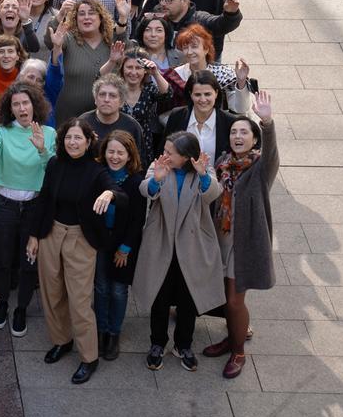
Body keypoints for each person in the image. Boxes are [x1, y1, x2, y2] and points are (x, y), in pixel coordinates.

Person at [26, 118, 125, 384]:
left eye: (78, 138)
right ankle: (62, 340)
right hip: (51, 233)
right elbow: (44, 198)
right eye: (69, 137)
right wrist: (34, 235)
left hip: (81, 238)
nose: (73, 142)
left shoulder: (96, 171)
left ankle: (89, 357)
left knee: (80, 301)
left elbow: (119, 192)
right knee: (51, 293)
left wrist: (109, 195)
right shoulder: (55, 164)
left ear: (89, 141)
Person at [203, 92, 278, 379]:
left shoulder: (259, 168)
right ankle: (232, 336)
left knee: (235, 301)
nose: (237, 136)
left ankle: (238, 352)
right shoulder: (222, 163)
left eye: (244, 132)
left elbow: (272, 152)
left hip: (243, 244)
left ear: (254, 140)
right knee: (225, 298)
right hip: (219, 239)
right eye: (234, 131)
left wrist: (267, 121)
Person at [134, 131, 222, 372]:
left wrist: (204, 176)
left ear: (185, 156)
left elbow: (213, 194)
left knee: (188, 297)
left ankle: (184, 344)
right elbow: (146, 191)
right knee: (159, 295)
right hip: (161, 241)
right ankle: (157, 343)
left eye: (170, 152)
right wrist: (157, 179)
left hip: (192, 244)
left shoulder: (204, 168)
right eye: (165, 150)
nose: (165, 155)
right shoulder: (159, 166)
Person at [0, 83, 55, 335]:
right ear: (10, 109)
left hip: (34, 206)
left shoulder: (49, 132)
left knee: (28, 261)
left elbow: (53, 170)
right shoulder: (2, 131)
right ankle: (2, 302)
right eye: (16, 104)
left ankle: (21, 307)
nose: (22, 108)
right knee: (1, 258)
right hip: (4, 204)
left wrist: (42, 149)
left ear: (35, 105)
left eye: (26, 103)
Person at [93, 130, 146, 360]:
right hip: (101, 241)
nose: (115, 157)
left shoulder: (136, 180)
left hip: (124, 244)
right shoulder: (98, 175)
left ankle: (114, 332)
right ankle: (101, 330)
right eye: (110, 151)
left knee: (118, 289)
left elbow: (137, 219)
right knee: (101, 287)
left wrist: (125, 248)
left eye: (120, 152)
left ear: (129, 155)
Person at [48, 0, 128, 125]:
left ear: (100, 18)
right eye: (81, 14)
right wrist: (61, 15)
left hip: (104, 115)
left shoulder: (111, 42)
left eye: (91, 13)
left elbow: (123, 41)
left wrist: (123, 17)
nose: (86, 17)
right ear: (75, 19)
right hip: (68, 114)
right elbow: (49, 40)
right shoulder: (68, 39)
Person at [102, 46, 171, 166]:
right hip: (115, 145)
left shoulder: (149, 90)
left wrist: (155, 72)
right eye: (129, 67)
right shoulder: (115, 89)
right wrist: (112, 61)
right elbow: (99, 78)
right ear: (123, 69)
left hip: (142, 145)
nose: (133, 72)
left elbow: (167, 94)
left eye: (138, 68)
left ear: (144, 70)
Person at [165, 70, 241, 172]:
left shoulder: (230, 121)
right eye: (197, 95)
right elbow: (164, 150)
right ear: (190, 94)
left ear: (216, 93)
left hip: (217, 184)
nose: (203, 99)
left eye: (207, 94)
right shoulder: (177, 116)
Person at [170, 24, 252, 115]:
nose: (189, 52)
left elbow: (241, 109)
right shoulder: (176, 74)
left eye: (194, 47)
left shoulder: (224, 73)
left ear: (206, 49)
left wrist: (241, 82)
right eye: (185, 48)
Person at [152, 0, 243, 60]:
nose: (163, 3)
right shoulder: (157, 17)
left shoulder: (200, 20)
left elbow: (221, 24)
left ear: (185, 1)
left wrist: (231, 14)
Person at [81, 72, 144, 152]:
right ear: (95, 99)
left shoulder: (132, 127)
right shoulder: (83, 122)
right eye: (102, 94)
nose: (106, 100)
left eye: (112, 96)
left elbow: (138, 161)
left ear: (121, 102)